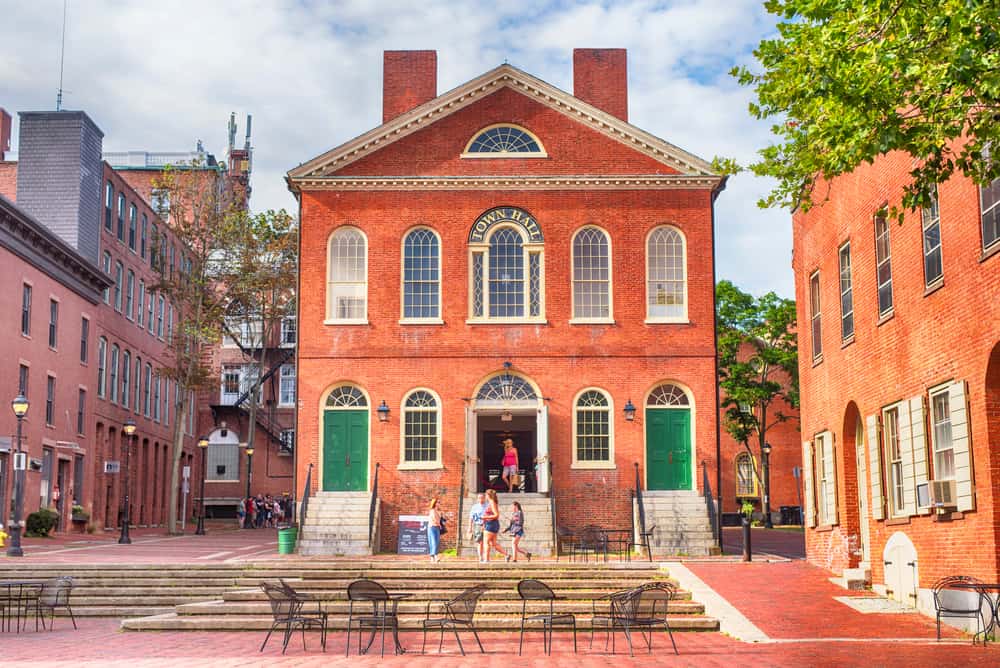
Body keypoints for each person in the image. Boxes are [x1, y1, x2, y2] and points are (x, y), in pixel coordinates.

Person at [482, 489, 509, 562]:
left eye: (486, 495)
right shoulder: (492, 502)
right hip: (493, 524)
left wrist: (485, 517)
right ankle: (506, 555)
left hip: (491, 524)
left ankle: (486, 560)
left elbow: (496, 515)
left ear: (488, 495)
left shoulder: (492, 502)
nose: (485, 496)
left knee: (486, 542)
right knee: (493, 543)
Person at [468, 492, 486, 563]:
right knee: (480, 542)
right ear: (477, 499)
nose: (480, 499)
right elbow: (471, 518)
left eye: (482, 497)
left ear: (484, 498)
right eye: (479, 498)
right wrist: (470, 527)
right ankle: (480, 557)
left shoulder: (487, 506)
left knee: (486, 542)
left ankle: (485, 556)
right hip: (478, 525)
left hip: (486, 525)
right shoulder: (475, 507)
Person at [427, 497, 443, 563]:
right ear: (435, 503)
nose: (439, 503)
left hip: (437, 528)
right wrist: (439, 524)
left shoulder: (438, 511)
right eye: (438, 502)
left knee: (436, 542)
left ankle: (433, 557)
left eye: (439, 502)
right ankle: (435, 556)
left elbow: (441, 519)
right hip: (432, 527)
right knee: (433, 542)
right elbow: (434, 519)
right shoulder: (432, 510)